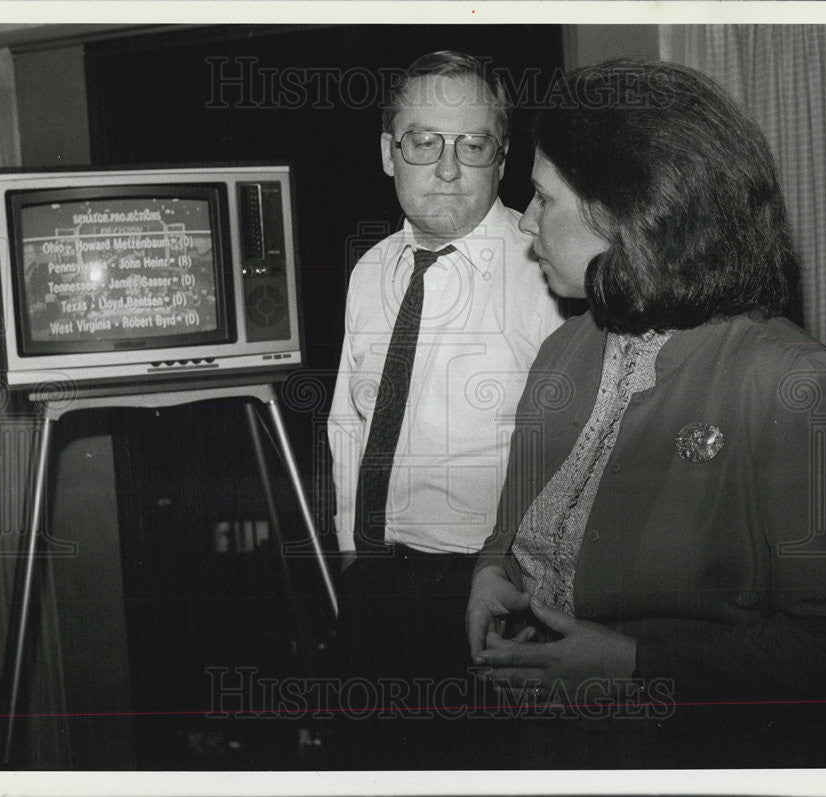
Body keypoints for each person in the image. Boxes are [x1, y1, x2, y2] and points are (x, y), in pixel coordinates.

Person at [465, 59, 826, 769]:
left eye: (544, 198)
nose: (525, 220)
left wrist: (636, 666)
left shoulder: (790, 382)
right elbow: (514, 532)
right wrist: (492, 573)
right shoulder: (561, 351)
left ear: (624, 213)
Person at [326, 51, 563, 765]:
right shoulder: (372, 271)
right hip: (375, 588)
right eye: (424, 142)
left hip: (487, 599)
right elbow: (349, 422)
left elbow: (575, 456)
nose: (449, 169)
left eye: (474, 144)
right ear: (388, 153)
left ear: (503, 156)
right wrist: (351, 555)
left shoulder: (547, 275)